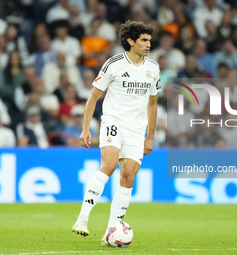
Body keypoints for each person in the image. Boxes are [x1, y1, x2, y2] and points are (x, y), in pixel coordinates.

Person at [72, 20, 161, 246]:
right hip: (113, 122)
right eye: (144, 40)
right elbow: (93, 97)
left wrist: (150, 136)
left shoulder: (153, 69)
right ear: (130, 41)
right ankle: (82, 219)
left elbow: (152, 105)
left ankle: (110, 231)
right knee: (109, 165)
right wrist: (85, 128)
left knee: (128, 176)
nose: (148, 44)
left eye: (149, 40)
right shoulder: (114, 64)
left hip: (136, 129)